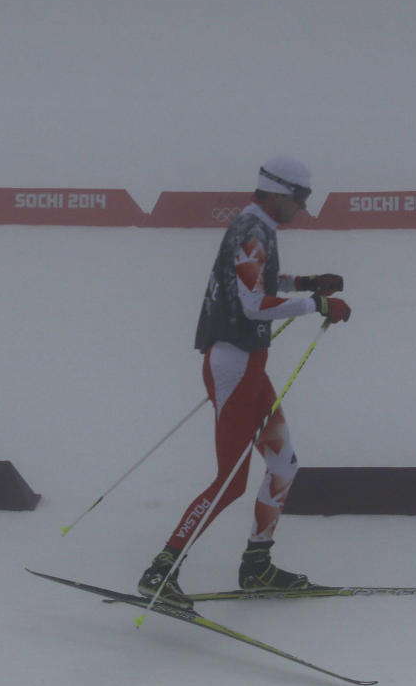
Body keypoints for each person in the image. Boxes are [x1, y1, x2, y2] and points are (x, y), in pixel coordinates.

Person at [138, 157, 351, 606]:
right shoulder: (252, 231)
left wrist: (309, 282)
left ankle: (257, 565)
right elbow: (254, 304)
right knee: (231, 481)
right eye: (300, 198)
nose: (303, 207)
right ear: (277, 191)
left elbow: (259, 283)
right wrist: (316, 305)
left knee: (283, 464)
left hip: (250, 364)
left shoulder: (256, 229)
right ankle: (162, 569)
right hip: (233, 364)